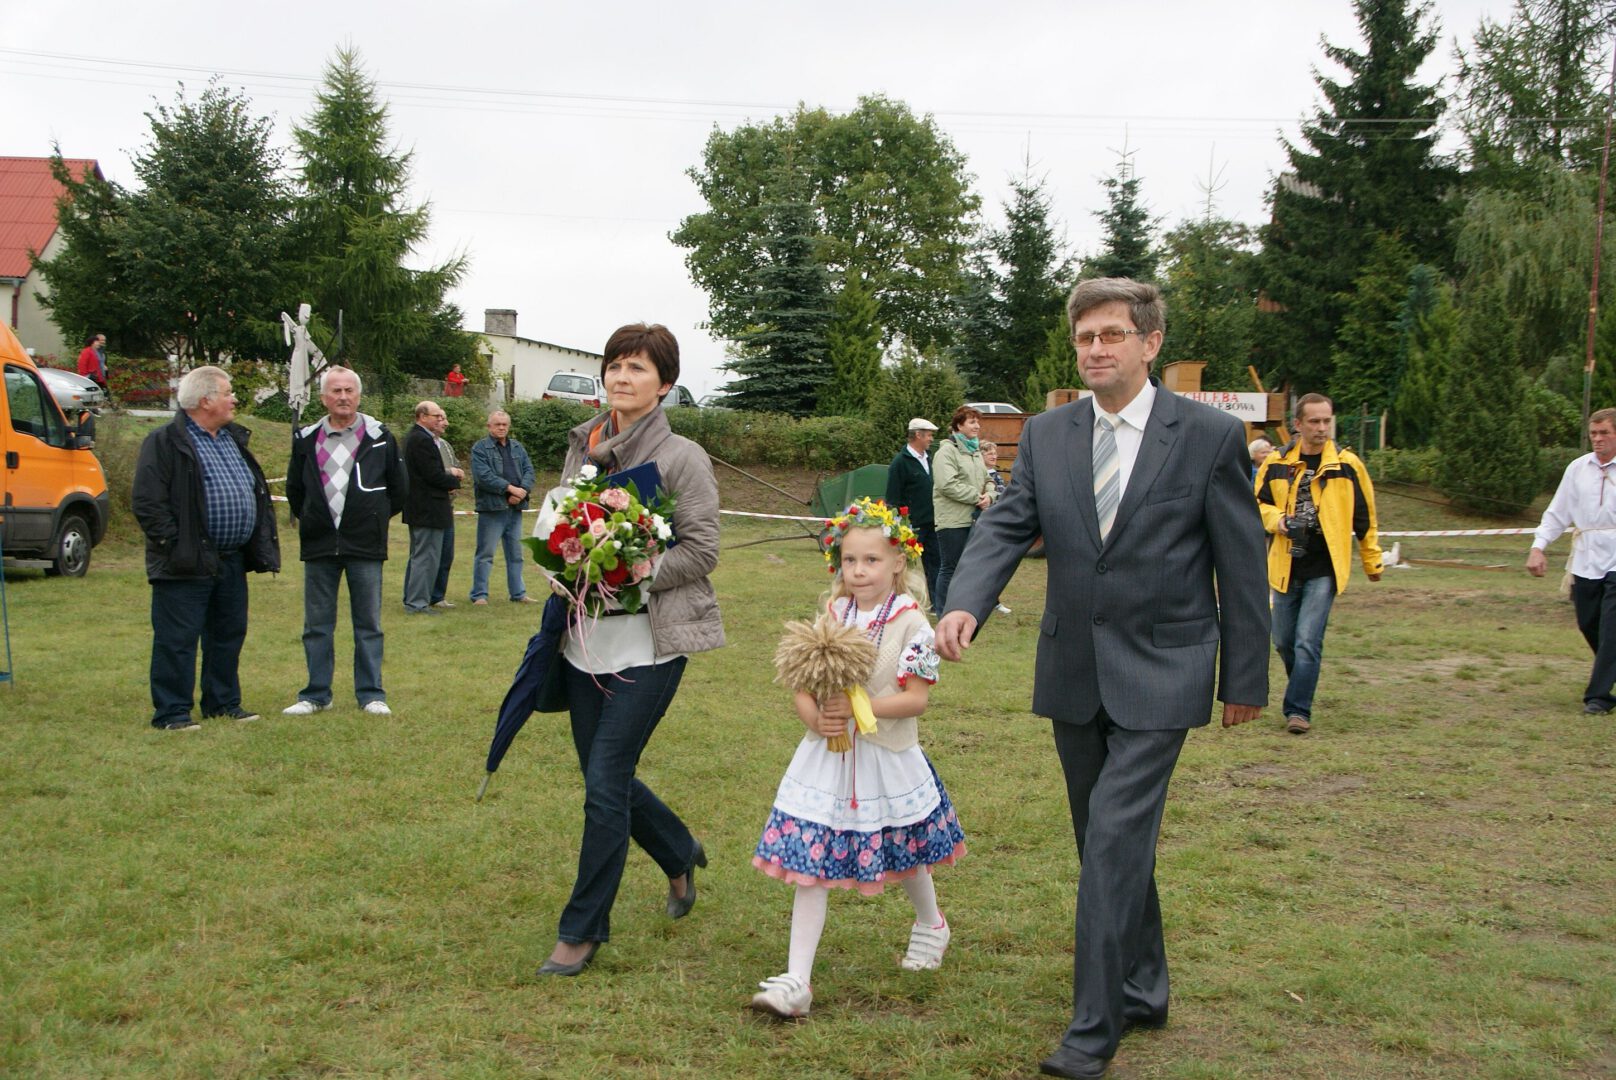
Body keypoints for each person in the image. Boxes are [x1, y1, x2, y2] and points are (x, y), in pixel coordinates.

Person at [935, 277, 1269, 1079]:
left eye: (1112, 335)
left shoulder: (1209, 436)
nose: (1095, 349)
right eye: (1085, 337)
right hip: (1074, 670)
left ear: (1150, 343)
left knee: (1115, 841)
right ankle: (1146, 986)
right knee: (1105, 842)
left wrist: (1245, 677)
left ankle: (1094, 1027)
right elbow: (1007, 524)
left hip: (1166, 668)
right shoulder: (1048, 435)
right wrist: (964, 603)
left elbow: (1241, 561)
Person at [536, 323, 725, 977]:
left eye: (638, 367)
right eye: (615, 364)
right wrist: (562, 561)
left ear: (665, 384)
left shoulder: (682, 457)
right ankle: (677, 851)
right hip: (584, 645)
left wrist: (635, 569)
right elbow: (562, 527)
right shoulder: (584, 446)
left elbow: (702, 549)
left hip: (651, 646)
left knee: (605, 782)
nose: (622, 376)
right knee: (604, 779)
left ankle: (581, 929)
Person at [747, 498, 964, 1020]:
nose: (859, 570)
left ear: (898, 562)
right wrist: (814, 718)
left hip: (886, 757)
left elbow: (915, 700)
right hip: (827, 760)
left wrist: (857, 707)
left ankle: (931, 923)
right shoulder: (833, 613)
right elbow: (802, 681)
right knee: (812, 866)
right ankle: (797, 980)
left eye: (871, 560)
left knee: (906, 849)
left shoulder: (913, 624)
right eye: (849, 560)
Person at [132, 366, 279, 730]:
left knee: (228, 634)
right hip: (185, 559)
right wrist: (176, 544)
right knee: (177, 638)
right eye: (228, 393)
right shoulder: (165, 442)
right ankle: (172, 712)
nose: (234, 400)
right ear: (205, 400)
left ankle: (223, 703)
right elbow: (148, 503)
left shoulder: (231, 439)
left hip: (230, 559)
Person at [1254, 393, 1382, 735]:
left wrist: (1372, 562)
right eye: (1314, 421)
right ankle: (1302, 684)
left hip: (1325, 568)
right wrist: (1280, 521)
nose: (1322, 427)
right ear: (1298, 424)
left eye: (1327, 421)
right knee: (1283, 641)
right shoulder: (1276, 462)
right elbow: (1256, 505)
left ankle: (1298, 710)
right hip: (1285, 564)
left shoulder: (1348, 465)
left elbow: (1365, 518)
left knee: (1307, 640)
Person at [283, 367, 407, 717]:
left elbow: (399, 489)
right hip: (320, 544)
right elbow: (295, 489)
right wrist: (315, 519)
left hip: (364, 545)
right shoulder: (306, 438)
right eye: (335, 391)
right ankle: (315, 695)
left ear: (358, 395)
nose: (343, 397)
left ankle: (371, 694)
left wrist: (372, 518)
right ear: (324, 398)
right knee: (317, 625)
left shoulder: (380, 437)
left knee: (368, 624)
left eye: (349, 390)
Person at [1527, 407, 1616, 714]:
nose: (1598, 439)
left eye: (1605, 433)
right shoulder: (1578, 469)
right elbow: (1557, 512)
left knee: (1612, 627)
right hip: (1587, 556)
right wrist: (1538, 547)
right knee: (1588, 621)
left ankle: (1599, 697)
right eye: (1593, 433)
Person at [931, 406, 996, 615]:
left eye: (978, 422)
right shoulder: (946, 452)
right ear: (959, 426)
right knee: (950, 568)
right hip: (952, 521)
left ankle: (964, 609)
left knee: (970, 568)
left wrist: (990, 496)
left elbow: (988, 479)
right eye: (972, 422)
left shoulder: (975, 452)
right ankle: (943, 612)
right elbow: (946, 484)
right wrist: (977, 497)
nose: (977, 426)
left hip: (975, 519)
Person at [469, 409, 538, 605]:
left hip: (515, 509)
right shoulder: (480, 448)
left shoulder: (517, 447)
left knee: (516, 554)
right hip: (492, 508)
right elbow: (483, 477)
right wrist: (510, 490)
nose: (501, 427)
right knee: (486, 554)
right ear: (489, 426)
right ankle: (479, 595)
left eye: (504, 424)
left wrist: (522, 491)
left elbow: (529, 470)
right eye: (497, 424)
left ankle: (518, 593)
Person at [402, 401, 464, 615]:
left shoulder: (418, 438)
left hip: (423, 508)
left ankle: (415, 598)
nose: (440, 420)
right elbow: (433, 474)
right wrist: (453, 480)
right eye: (436, 416)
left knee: (422, 555)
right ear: (422, 416)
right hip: (427, 508)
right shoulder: (421, 440)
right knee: (426, 557)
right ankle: (417, 603)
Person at [885, 417, 941, 606]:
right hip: (911, 525)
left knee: (935, 563)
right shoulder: (900, 462)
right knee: (903, 564)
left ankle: (937, 603)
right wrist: (900, 524)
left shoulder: (929, 458)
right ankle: (894, 600)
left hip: (932, 522)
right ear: (918, 435)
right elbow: (892, 497)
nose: (931, 439)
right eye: (929, 435)